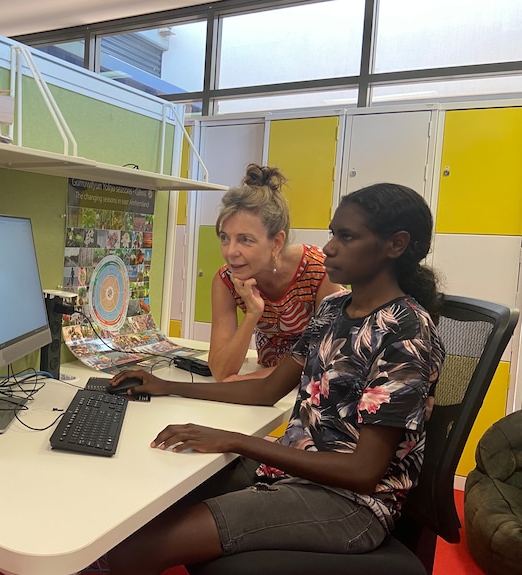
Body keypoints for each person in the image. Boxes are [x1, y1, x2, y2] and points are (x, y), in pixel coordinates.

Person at [105, 183, 445, 575]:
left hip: (350, 504)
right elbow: (268, 388)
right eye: (333, 233)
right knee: (142, 507)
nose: (330, 246)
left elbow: (362, 471)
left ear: (396, 245)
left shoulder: (406, 330)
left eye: (346, 236)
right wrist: (168, 386)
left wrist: (235, 441)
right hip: (295, 473)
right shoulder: (335, 308)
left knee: (138, 547)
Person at [209, 163, 343, 382]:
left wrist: (252, 380)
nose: (230, 252)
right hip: (271, 381)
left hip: (313, 388)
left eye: (245, 239)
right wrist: (253, 314)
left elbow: (327, 359)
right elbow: (221, 372)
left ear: (276, 242)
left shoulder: (320, 270)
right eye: (225, 237)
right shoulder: (226, 280)